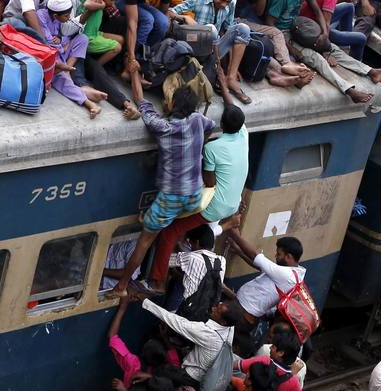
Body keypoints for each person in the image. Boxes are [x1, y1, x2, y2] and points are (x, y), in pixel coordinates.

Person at [111, 78, 217, 297]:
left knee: (144, 241)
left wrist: (135, 74)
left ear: (172, 104)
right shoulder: (198, 119)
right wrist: (197, 146)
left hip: (171, 198)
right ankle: (153, 220)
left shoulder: (163, 127)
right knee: (164, 223)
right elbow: (211, 127)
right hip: (194, 195)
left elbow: (142, 102)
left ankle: (120, 287)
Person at [148, 105, 247, 291]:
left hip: (213, 206)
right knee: (188, 227)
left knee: (170, 231)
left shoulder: (212, 148)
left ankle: (158, 281)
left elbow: (209, 182)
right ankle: (178, 257)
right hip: (233, 203)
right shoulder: (243, 136)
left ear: (222, 124)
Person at [220, 224, 307, 349]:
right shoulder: (291, 271)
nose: (276, 256)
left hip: (243, 315)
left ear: (288, 257)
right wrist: (239, 252)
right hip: (242, 311)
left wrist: (234, 233)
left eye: (279, 254)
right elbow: (259, 266)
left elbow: (255, 256)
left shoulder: (287, 275)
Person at [170, 0, 253, 102]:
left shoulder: (230, 5)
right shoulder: (198, 0)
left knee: (243, 29)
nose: (224, 4)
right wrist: (184, 18)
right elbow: (170, 12)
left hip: (214, 52)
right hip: (194, 50)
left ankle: (231, 78)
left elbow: (228, 30)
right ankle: (219, 74)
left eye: (227, 1)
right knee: (211, 29)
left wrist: (229, 65)